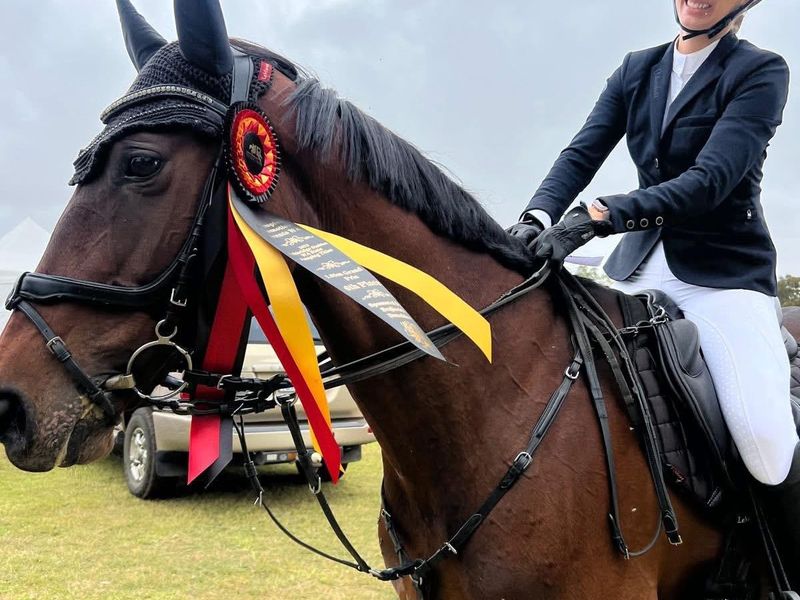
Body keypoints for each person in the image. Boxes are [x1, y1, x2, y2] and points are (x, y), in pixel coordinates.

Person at [508, 0, 800, 582]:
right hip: (638, 270)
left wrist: (599, 215)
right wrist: (536, 217)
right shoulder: (637, 68)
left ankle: (787, 577)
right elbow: (582, 152)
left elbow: (710, 181)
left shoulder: (760, 71)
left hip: (722, 278)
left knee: (764, 441)